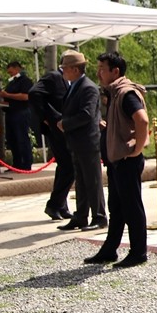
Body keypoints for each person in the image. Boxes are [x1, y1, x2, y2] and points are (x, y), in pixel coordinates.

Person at [86, 51, 150, 267]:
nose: (98, 74)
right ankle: (109, 249)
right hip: (116, 160)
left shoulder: (126, 93)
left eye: (102, 69)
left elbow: (142, 120)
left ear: (115, 71)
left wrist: (137, 149)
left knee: (132, 206)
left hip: (126, 160)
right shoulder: (114, 93)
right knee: (117, 206)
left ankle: (138, 252)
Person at [56, 51, 106, 232]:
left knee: (92, 180)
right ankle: (81, 216)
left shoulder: (88, 88)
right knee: (82, 181)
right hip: (77, 141)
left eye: (65, 68)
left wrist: (65, 124)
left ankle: (99, 216)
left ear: (75, 69)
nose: (63, 72)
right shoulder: (74, 86)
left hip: (87, 141)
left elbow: (87, 114)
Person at [28, 60, 74, 220]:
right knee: (69, 166)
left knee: (64, 167)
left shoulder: (70, 80)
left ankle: (61, 205)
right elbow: (34, 93)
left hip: (66, 128)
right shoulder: (53, 77)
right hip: (56, 129)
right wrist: (47, 117)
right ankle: (54, 204)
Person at [0, 60, 34, 170]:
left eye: (11, 72)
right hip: (10, 113)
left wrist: (7, 95)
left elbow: (25, 96)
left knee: (21, 138)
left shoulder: (25, 81)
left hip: (21, 113)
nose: (10, 74)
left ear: (17, 68)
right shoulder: (12, 82)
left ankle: (26, 163)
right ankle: (17, 163)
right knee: (12, 139)